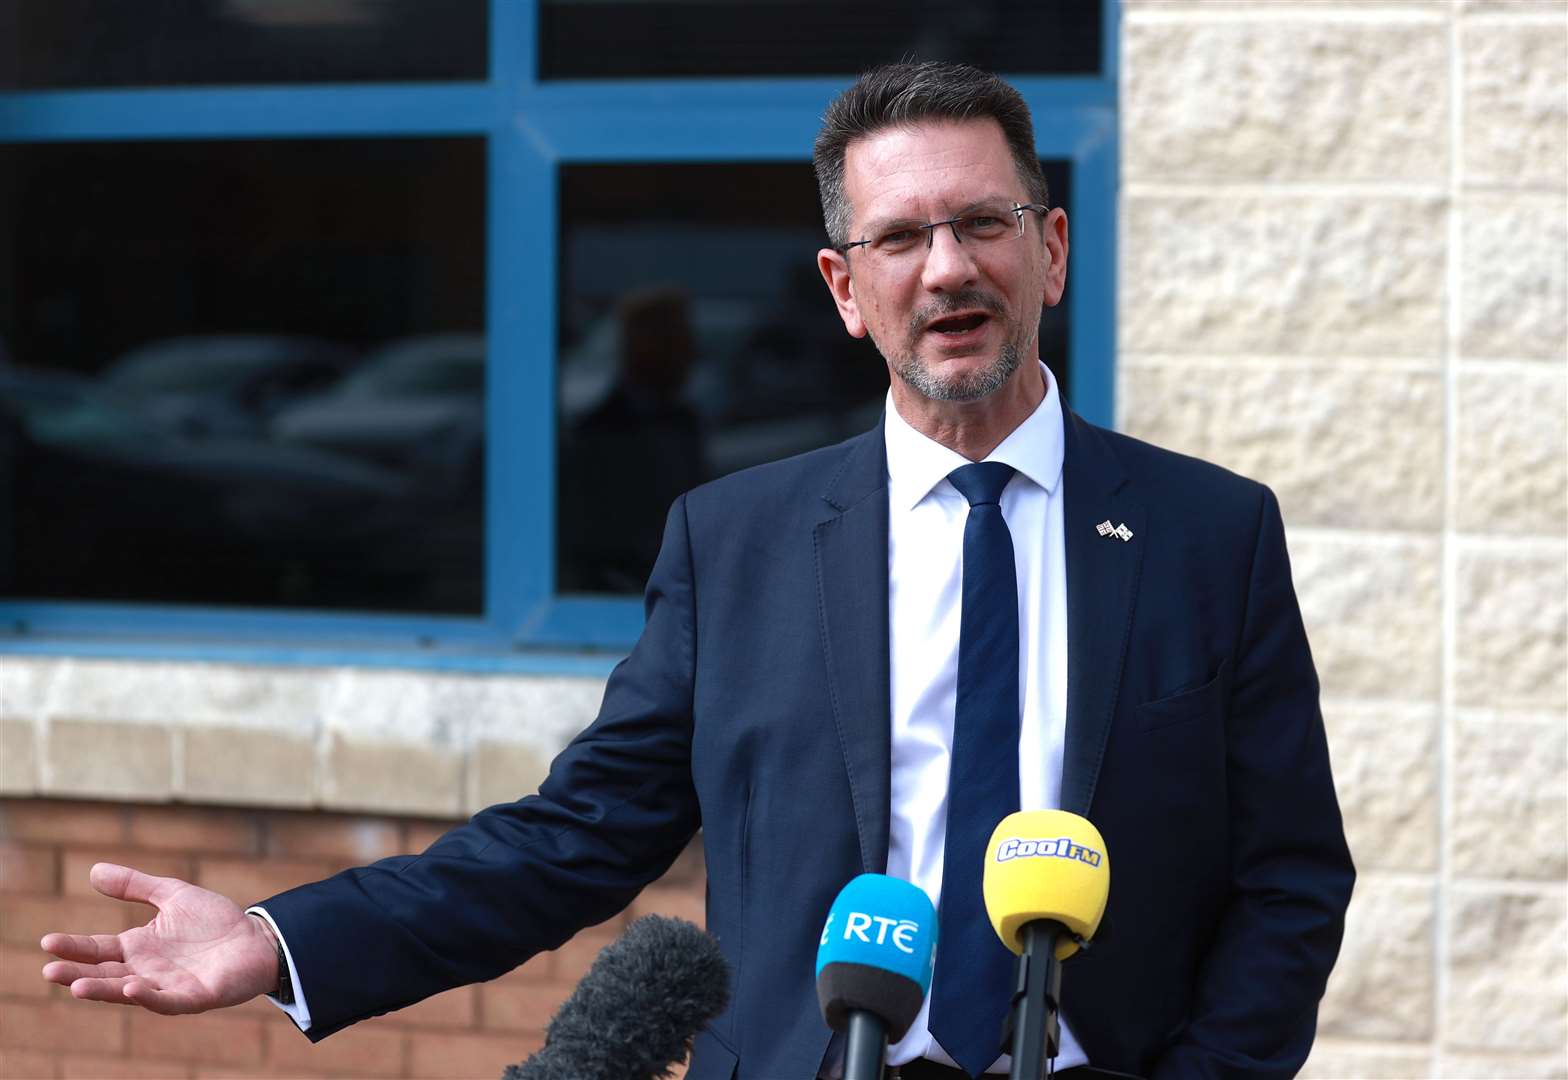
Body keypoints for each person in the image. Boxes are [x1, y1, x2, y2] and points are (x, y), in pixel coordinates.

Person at [41, 62, 1354, 1080]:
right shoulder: (736, 546)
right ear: (847, 289)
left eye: (983, 223)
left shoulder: (1207, 535)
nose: (947, 265)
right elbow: (574, 841)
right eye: (901, 238)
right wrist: (278, 939)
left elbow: (1289, 879)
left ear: (1052, 250)